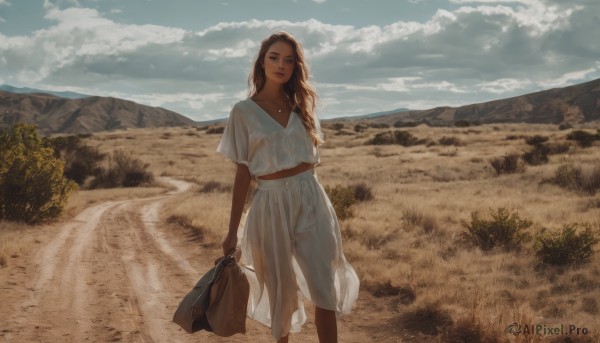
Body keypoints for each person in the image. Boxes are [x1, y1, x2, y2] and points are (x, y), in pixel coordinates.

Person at [217, 31, 359, 343]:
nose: (281, 65)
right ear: (262, 62)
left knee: (324, 288)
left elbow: (313, 159)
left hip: (310, 197)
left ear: (296, 66)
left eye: (289, 60)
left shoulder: (302, 105)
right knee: (281, 294)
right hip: (270, 202)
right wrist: (231, 231)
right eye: (274, 57)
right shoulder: (243, 111)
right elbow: (243, 173)